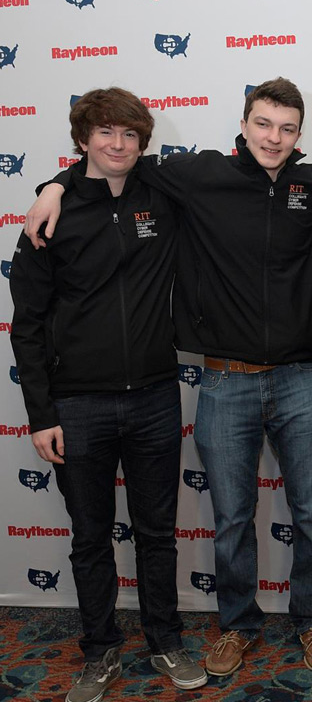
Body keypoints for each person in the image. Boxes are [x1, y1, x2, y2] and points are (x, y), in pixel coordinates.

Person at [27, 78, 312, 676]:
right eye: (263, 124)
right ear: (244, 124)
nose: (273, 138)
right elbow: (118, 163)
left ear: (300, 135)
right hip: (223, 380)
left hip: (301, 376)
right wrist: (54, 184)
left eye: (287, 128)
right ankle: (237, 625)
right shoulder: (200, 175)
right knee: (230, 519)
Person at [10, 88, 207, 702]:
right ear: (83, 139)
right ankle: (98, 652)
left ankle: (165, 640)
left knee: (157, 532)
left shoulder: (162, 196)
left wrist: (56, 180)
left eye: (128, 134)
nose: (117, 145)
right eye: (105, 133)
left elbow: (235, 175)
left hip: (153, 396)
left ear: (142, 142)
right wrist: (41, 415)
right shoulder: (51, 214)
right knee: (90, 537)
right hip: (78, 405)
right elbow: (27, 325)